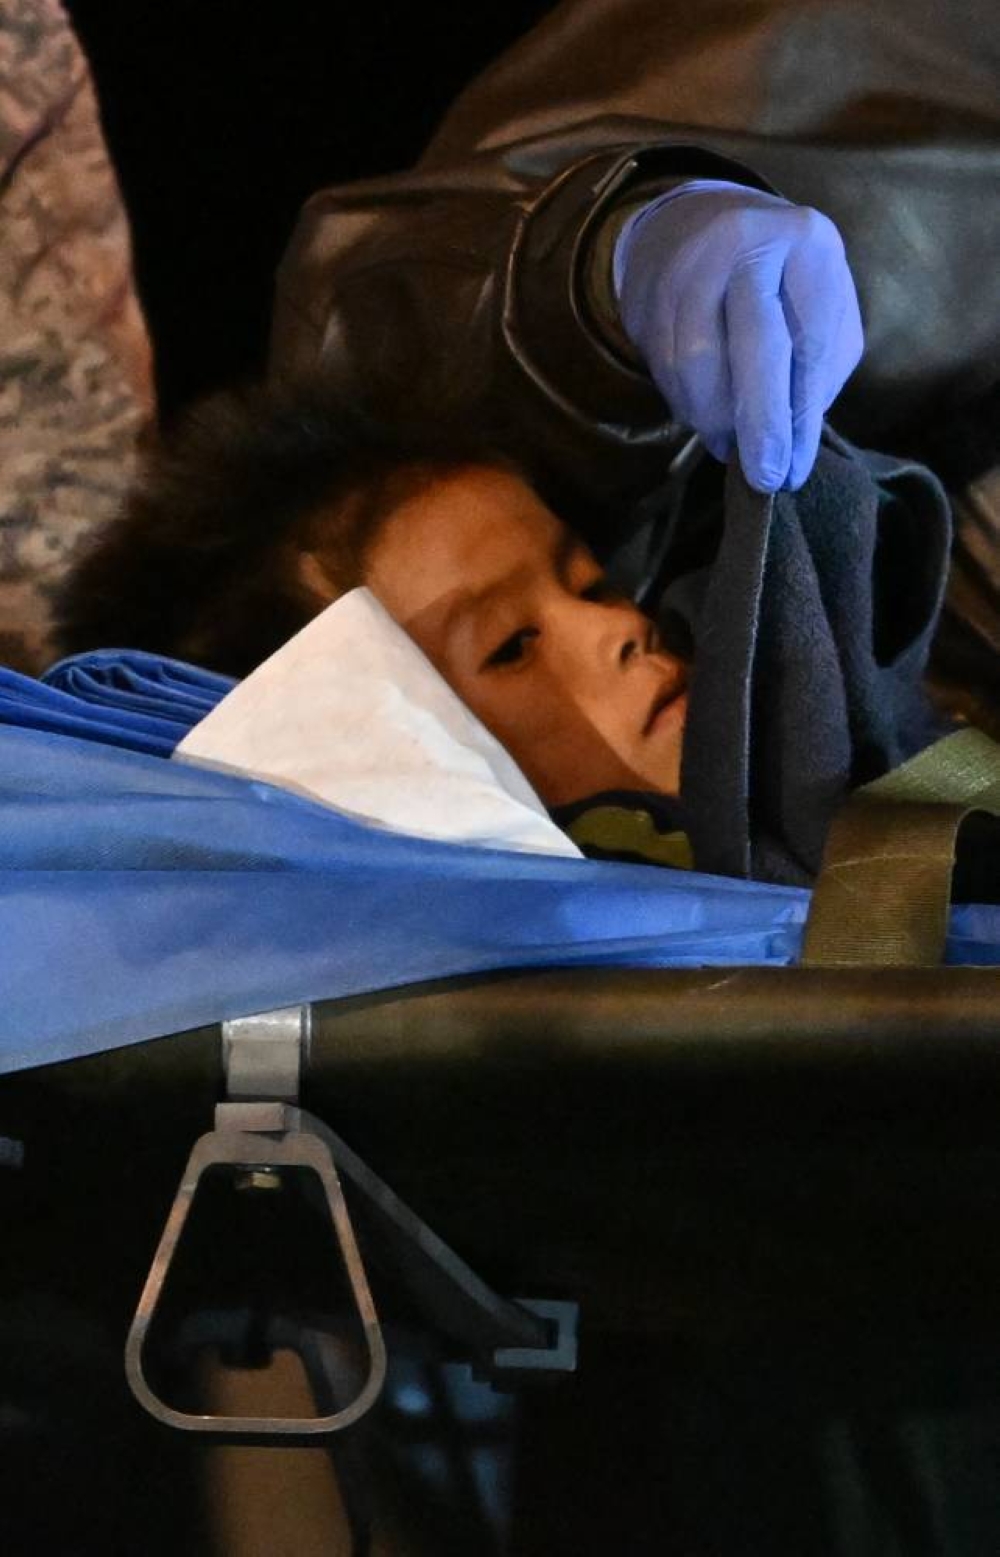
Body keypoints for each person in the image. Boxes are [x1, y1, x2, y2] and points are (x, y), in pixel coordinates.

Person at [54, 377, 954, 884]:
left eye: (591, 580)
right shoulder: (528, 998)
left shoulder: (868, 756)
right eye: (511, 646)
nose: (617, 627)